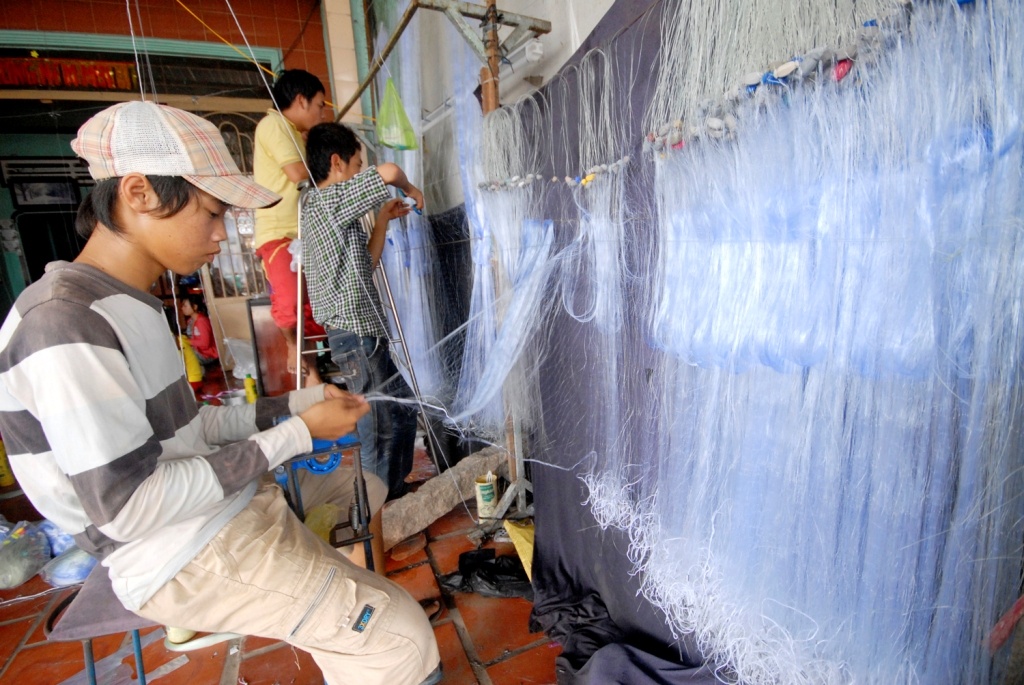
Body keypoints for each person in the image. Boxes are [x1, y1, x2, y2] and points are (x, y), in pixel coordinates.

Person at [0, 101, 440, 685]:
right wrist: (297, 434)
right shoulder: (64, 324)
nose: (222, 232)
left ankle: (331, 612)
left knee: (367, 486)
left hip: (210, 508)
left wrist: (299, 405)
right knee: (401, 638)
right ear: (138, 193)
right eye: (211, 212)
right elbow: (129, 507)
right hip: (175, 551)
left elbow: (192, 428)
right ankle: (345, 618)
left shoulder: (129, 303)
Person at [301, 122, 422, 499]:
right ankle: (377, 508)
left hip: (365, 336)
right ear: (336, 163)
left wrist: (382, 220)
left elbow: (366, 264)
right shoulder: (326, 201)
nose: (360, 174)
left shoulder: (333, 214)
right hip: (354, 338)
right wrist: (411, 189)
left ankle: (394, 492)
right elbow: (390, 172)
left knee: (403, 410)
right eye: (356, 166)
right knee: (377, 429)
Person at [253, 69, 327, 386]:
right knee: (290, 302)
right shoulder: (274, 125)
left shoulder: (295, 133)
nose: (322, 113)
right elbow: (298, 175)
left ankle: (314, 380)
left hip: (303, 234)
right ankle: (291, 345)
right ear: (301, 100)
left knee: (308, 310)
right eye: (320, 105)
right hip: (278, 234)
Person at [180, 294, 218, 365]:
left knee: (183, 358)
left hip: (206, 354)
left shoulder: (202, 321)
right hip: (197, 350)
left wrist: (188, 341)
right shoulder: (190, 321)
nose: (182, 308)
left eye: (185, 306)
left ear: (195, 307)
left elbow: (205, 343)